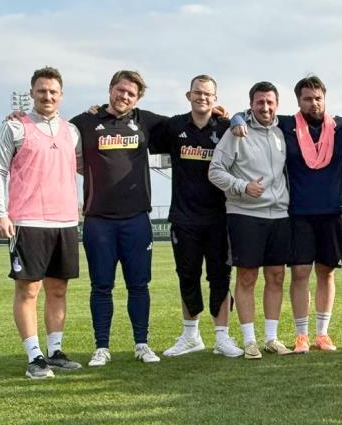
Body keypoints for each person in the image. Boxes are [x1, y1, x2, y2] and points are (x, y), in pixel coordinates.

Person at [0, 67, 83, 378]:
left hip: (65, 221)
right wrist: (0, 213)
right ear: (31, 93)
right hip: (28, 220)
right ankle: (35, 357)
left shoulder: (72, 131)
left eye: (53, 91)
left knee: (58, 289)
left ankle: (55, 352)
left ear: (61, 95)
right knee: (28, 290)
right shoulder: (15, 127)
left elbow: (82, 166)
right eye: (41, 91)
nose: (47, 96)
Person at [71, 70, 167, 366]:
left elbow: (185, 124)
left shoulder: (145, 121)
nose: (124, 96)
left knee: (139, 285)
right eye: (120, 90)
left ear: (137, 99)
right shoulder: (84, 122)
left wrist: (222, 114)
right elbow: (51, 132)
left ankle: (142, 344)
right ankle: (102, 347)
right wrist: (19, 118)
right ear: (111, 89)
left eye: (131, 93)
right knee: (101, 286)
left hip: (136, 218)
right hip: (98, 220)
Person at [152, 75, 243, 359]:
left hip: (219, 217)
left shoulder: (226, 127)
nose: (202, 97)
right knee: (187, 276)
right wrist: (99, 111)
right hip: (184, 218)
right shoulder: (174, 126)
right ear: (188, 95)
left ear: (216, 98)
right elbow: (140, 125)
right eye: (198, 93)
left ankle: (222, 337)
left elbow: (248, 122)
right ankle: (191, 336)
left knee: (220, 277)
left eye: (208, 94)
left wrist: (237, 116)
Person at [208, 82, 292, 359]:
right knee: (247, 277)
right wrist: (242, 186)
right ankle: (249, 341)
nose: (265, 108)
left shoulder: (282, 132)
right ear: (251, 104)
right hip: (245, 214)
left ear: (277, 104)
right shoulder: (237, 132)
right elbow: (215, 171)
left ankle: (271, 338)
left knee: (276, 276)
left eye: (270, 102)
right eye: (260, 102)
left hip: (279, 214)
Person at [279, 75, 342, 353]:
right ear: (298, 101)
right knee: (300, 273)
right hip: (299, 212)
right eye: (307, 99)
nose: (314, 103)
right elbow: (254, 115)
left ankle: (322, 333)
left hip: (333, 211)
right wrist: (233, 117)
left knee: (326, 272)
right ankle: (301, 335)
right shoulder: (285, 125)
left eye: (318, 98)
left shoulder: (341, 126)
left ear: (325, 98)